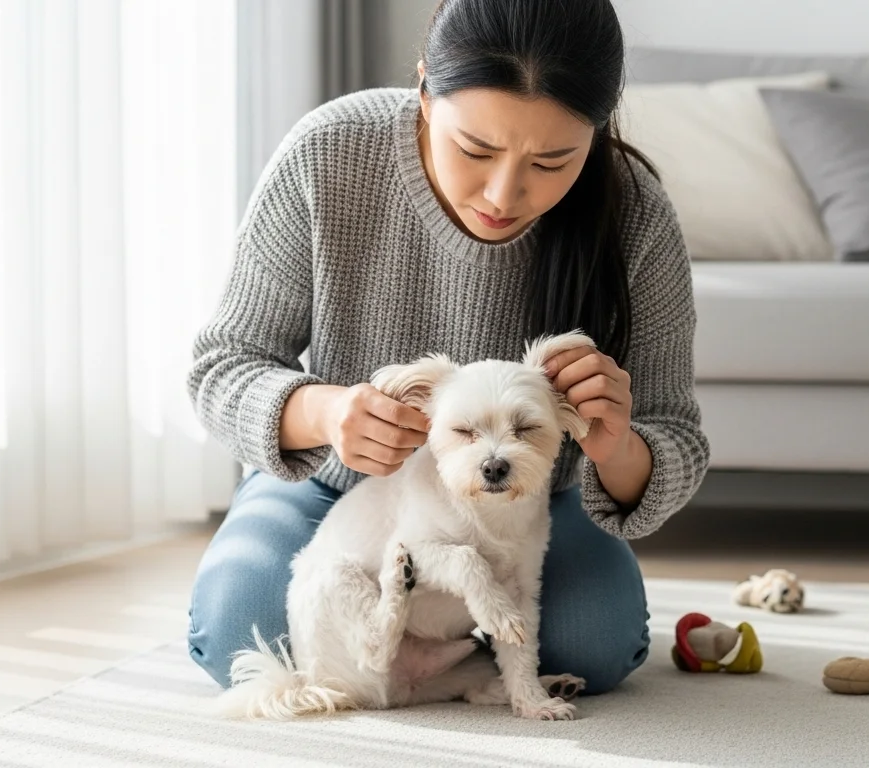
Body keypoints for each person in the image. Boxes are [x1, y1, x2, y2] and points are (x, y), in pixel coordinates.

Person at [185, 0, 709, 697]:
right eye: (476, 150)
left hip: (525, 510)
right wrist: (325, 413)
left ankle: (441, 652)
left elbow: (675, 435)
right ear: (427, 90)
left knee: (597, 645)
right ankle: (445, 652)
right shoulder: (330, 152)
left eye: (553, 160)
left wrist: (618, 446)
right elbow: (222, 363)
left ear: (597, 127)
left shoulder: (635, 213)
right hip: (334, 496)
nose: (503, 193)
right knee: (236, 633)